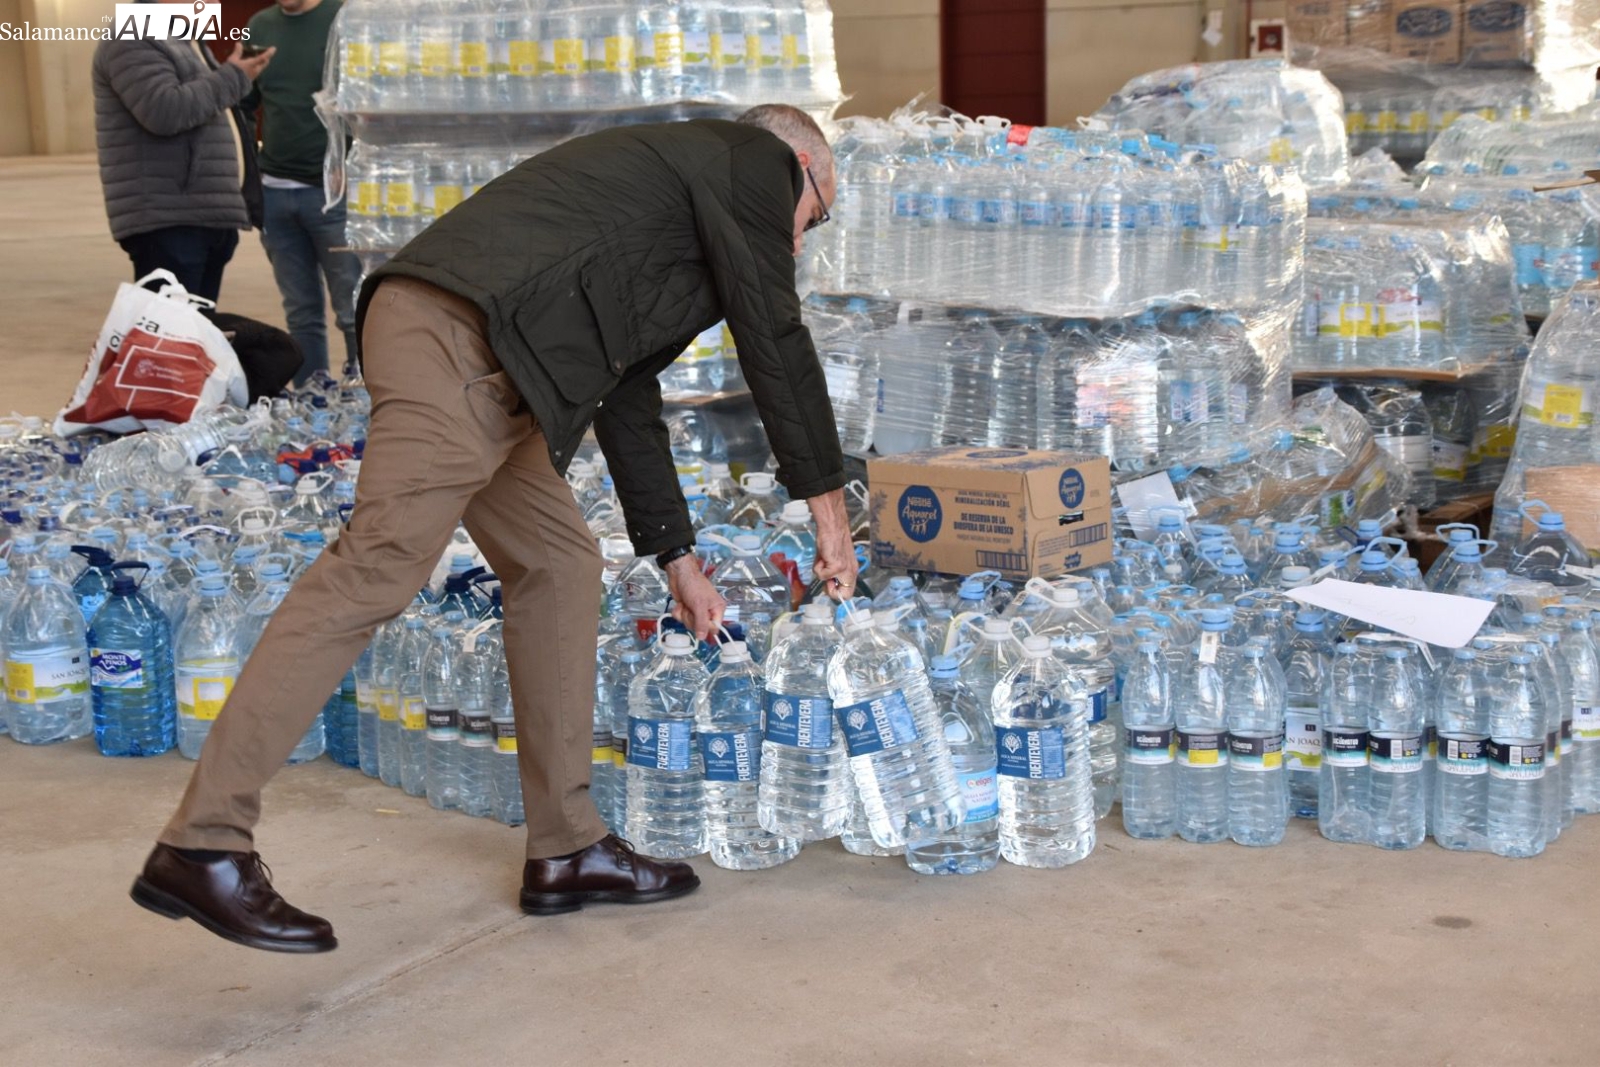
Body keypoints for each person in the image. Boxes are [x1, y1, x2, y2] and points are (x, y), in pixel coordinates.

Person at [130, 105, 857, 954]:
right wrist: (829, 511)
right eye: (819, 212)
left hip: (497, 366)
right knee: (377, 566)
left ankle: (568, 844)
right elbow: (775, 332)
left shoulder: (669, 201)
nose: (802, 239)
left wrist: (678, 558)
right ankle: (205, 841)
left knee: (560, 564)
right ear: (802, 163)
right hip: (459, 345)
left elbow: (626, 392)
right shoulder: (750, 160)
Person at [91, 8, 275, 302]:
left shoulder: (182, 38)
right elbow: (164, 111)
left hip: (203, 215)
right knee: (169, 340)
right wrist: (234, 77)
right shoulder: (134, 33)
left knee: (194, 339)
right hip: (170, 220)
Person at [245, 0, 362, 383]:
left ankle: (365, 397)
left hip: (333, 193)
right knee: (301, 312)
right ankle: (315, 399)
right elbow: (243, 103)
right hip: (275, 192)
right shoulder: (258, 26)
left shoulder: (343, 18)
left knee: (353, 308)